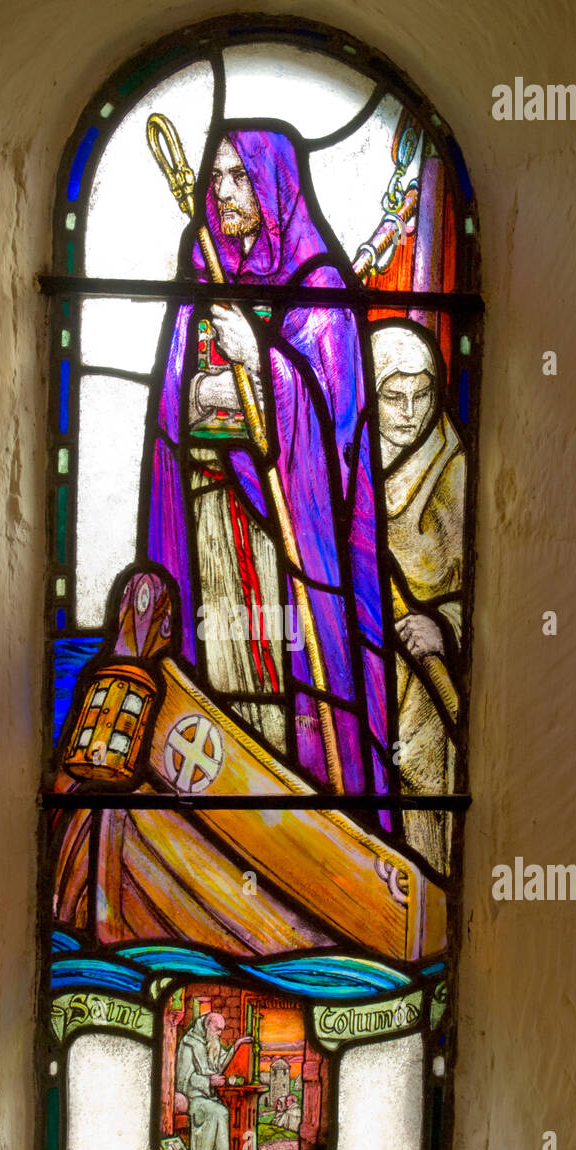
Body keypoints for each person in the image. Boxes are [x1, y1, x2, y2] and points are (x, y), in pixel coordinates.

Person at [143, 128, 393, 796]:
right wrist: (199, 395)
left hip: (286, 532)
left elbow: (334, 420)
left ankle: (307, 802)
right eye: (215, 177)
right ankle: (223, 794)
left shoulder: (320, 285)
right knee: (226, 666)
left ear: (274, 186)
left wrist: (260, 360)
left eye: (237, 177)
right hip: (212, 516)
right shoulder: (203, 272)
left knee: (288, 672)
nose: (221, 191)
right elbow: (171, 402)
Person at [371, 325, 466, 874]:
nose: (409, 411)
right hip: (367, 662)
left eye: (422, 394)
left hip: (429, 683)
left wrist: (445, 627)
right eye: (393, 395)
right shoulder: (346, 455)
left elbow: (479, 596)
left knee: (419, 793)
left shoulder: (451, 465)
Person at [175, 1012, 252, 1150]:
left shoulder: (211, 1042)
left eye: (221, 1030)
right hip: (192, 1097)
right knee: (217, 1111)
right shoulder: (189, 1044)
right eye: (217, 1029)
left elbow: (220, 1064)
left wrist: (236, 1046)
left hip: (208, 1097)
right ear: (207, 1025)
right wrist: (209, 1082)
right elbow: (184, 1079)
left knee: (222, 1111)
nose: (219, 1034)